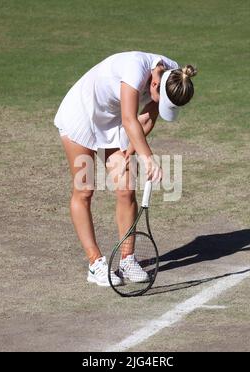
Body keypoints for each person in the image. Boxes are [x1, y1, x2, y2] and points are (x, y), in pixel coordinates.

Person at [54, 51, 197, 287]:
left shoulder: (174, 76)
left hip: (112, 121)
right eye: (160, 99)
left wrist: (129, 152)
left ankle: (127, 260)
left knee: (126, 187)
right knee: (84, 189)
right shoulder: (134, 70)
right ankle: (95, 263)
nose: (159, 104)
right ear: (154, 83)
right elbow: (130, 119)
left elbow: (147, 119)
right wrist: (148, 158)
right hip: (82, 113)